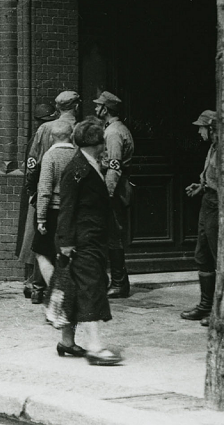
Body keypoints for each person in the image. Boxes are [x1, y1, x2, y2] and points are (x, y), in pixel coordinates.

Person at [52, 118, 122, 366]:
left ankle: (67, 342)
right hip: (83, 241)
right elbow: (67, 209)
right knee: (91, 290)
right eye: (103, 141)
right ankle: (95, 347)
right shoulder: (78, 170)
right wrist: (67, 242)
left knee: (75, 289)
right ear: (95, 143)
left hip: (88, 239)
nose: (105, 146)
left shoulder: (87, 165)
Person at [23, 92, 79, 304]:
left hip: (46, 191)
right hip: (73, 197)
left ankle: (39, 288)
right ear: (76, 106)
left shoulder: (45, 128)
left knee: (42, 244)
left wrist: (32, 190)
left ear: (57, 107)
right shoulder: (82, 128)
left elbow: (32, 162)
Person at [182, 110, 221, 323]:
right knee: (203, 255)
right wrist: (202, 185)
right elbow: (212, 177)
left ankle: (220, 311)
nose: (199, 131)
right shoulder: (213, 149)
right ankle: (206, 305)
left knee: (218, 256)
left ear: (212, 128)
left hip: (217, 206)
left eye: (202, 127)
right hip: (208, 203)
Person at [95, 91, 135, 299]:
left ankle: (119, 283)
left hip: (115, 189)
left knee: (113, 236)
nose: (95, 109)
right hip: (116, 187)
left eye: (98, 106)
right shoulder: (115, 129)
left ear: (106, 110)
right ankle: (118, 281)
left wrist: (107, 194)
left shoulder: (113, 133)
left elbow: (114, 166)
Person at [19, 103, 58, 300]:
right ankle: (34, 284)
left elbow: (31, 168)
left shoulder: (37, 138)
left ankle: (33, 284)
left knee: (34, 237)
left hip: (38, 193)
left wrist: (31, 191)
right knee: (36, 237)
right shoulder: (55, 137)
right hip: (46, 194)